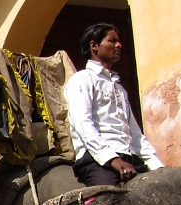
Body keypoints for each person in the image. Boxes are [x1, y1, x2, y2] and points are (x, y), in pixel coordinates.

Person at [64, 23, 163, 187]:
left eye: (119, 41)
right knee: (105, 204)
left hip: (129, 157)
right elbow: (83, 124)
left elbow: (135, 134)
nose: (119, 45)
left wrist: (157, 167)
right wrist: (112, 159)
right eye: (112, 41)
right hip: (97, 160)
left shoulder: (119, 88)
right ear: (94, 45)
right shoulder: (82, 80)